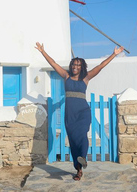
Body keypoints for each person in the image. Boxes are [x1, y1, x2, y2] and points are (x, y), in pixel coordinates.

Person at [35, 42, 124, 181]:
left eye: (78, 65)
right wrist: (42, 51)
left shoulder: (86, 78)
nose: (75, 67)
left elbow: (100, 66)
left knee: (82, 135)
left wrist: (114, 54)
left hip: (83, 112)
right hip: (70, 114)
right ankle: (79, 169)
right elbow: (53, 63)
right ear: (71, 66)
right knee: (73, 141)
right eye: (74, 65)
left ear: (82, 67)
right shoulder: (66, 76)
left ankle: (82, 159)